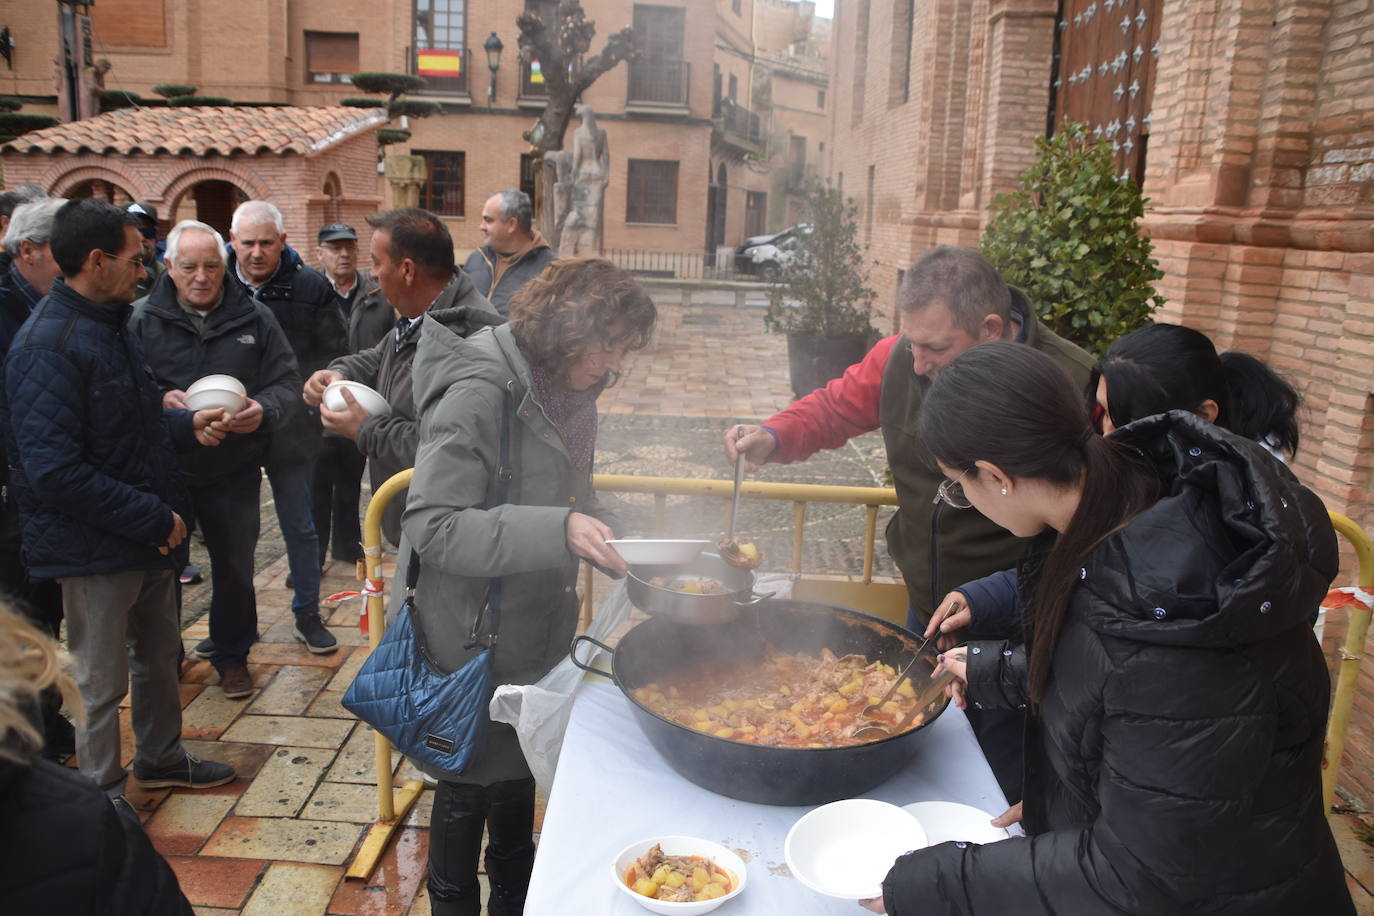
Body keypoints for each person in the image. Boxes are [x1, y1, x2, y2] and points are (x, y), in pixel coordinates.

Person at [861, 341, 1350, 915]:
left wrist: (938, 885)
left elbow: (1137, 873)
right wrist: (1006, 685)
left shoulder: (1175, 612)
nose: (964, 500)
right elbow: (1115, 682)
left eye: (959, 488)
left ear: (995, 476)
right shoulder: (1123, 502)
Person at [726, 246, 1093, 800]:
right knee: (908, 748)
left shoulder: (1073, 380)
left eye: (936, 348)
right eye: (911, 343)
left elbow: (1097, 521)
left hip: (1024, 619)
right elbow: (834, 406)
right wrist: (774, 436)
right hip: (928, 606)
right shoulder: (905, 354)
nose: (918, 363)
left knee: (994, 773)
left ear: (991, 329)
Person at [403, 257, 654, 915]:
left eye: (621, 349)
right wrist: (559, 529)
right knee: (463, 788)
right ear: (562, 334)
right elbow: (434, 526)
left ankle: (515, 903)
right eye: (607, 345)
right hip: (470, 637)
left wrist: (612, 537)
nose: (612, 364)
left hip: (536, 629)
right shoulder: (480, 388)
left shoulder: (571, 397)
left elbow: (570, 496)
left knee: (517, 782)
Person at [0, 198, 236, 799]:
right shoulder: (46, 347)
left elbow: (131, 424)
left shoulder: (109, 324)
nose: (146, 271)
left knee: (158, 659)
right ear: (97, 261)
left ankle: (161, 756)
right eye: (137, 259)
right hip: (95, 547)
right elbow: (53, 472)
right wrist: (152, 515)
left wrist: (186, 427)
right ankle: (103, 796)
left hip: (147, 538)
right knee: (100, 684)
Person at [927, 322, 1307, 650]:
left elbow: (1135, 686)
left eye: (1125, 418)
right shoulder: (1114, 513)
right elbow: (1097, 654)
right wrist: (990, 606)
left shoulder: (1178, 562)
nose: (1109, 437)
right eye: (1103, 413)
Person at [131, 220, 303, 696]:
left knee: (234, 567)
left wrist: (262, 411)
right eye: (189, 267)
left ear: (224, 265)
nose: (201, 277)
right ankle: (165, 658)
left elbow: (287, 384)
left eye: (211, 266)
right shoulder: (141, 319)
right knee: (161, 571)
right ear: (168, 266)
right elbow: (124, 393)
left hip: (233, 466)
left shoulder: (253, 317)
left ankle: (232, 656)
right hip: (166, 470)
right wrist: (160, 400)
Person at [305, 208, 500, 549]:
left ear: (407, 270)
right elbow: (380, 356)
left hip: (446, 530)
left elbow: (444, 444)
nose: (374, 273)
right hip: (417, 520)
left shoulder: (466, 336)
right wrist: (339, 372)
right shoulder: (423, 313)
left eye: (377, 262)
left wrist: (365, 429)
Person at [0, 603, 194, 914]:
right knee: (99, 677)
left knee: (155, 655)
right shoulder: (82, 823)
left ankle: (160, 760)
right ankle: (108, 785)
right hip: (93, 560)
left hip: (148, 561)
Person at [227, 200, 346, 654]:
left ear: (283, 243)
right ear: (233, 241)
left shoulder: (311, 287)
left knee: (301, 525)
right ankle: (236, 624)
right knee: (236, 532)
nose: (256, 253)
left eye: (266, 243)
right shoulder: (215, 285)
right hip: (234, 426)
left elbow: (334, 347)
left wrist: (311, 396)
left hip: (293, 426)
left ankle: (308, 613)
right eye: (247, 243)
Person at [0, 197, 70, 757]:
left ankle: (48, 719)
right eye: (60, 250)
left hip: (42, 496)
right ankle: (26, 738)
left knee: (44, 609)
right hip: (14, 496)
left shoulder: (54, 306)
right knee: (19, 614)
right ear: (27, 251)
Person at [311, 221, 394, 569]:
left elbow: (388, 348)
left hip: (362, 404)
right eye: (334, 248)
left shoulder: (376, 294)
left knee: (349, 481)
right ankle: (312, 557)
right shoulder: (312, 292)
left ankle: (347, 546)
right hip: (318, 403)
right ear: (321, 254)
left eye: (349, 247)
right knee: (316, 485)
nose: (343, 254)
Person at [1093, 321, 1301, 458]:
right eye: (1104, 411)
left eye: (1129, 420)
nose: (1107, 435)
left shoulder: (1236, 499)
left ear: (1203, 414)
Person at [462, 190, 557, 315]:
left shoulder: (549, 270)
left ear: (511, 224)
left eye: (488, 220)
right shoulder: (476, 259)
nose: (481, 226)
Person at [124, 202, 165, 299]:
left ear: (156, 236)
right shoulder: (107, 277)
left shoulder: (167, 277)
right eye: (134, 232)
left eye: (147, 232)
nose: (141, 238)